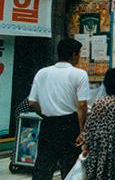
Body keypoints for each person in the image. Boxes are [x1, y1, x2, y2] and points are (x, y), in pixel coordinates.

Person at [28, 38, 90, 180]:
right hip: (70, 124)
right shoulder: (79, 74)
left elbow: (32, 102)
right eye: (79, 54)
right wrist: (82, 130)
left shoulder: (42, 72)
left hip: (48, 123)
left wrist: (43, 113)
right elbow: (82, 105)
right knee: (69, 167)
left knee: (43, 165)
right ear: (74, 54)